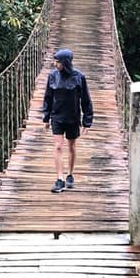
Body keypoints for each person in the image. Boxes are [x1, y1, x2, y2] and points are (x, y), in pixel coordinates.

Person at [41, 48, 93, 193]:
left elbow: (86, 100)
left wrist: (87, 121)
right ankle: (60, 179)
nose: (54, 64)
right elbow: (48, 97)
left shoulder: (79, 77)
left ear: (65, 62)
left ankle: (70, 174)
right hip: (57, 116)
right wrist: (46, 117)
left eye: (57, 62)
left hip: (73, 117)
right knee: (58, 146)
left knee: (72, 147)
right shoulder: (52, 76)